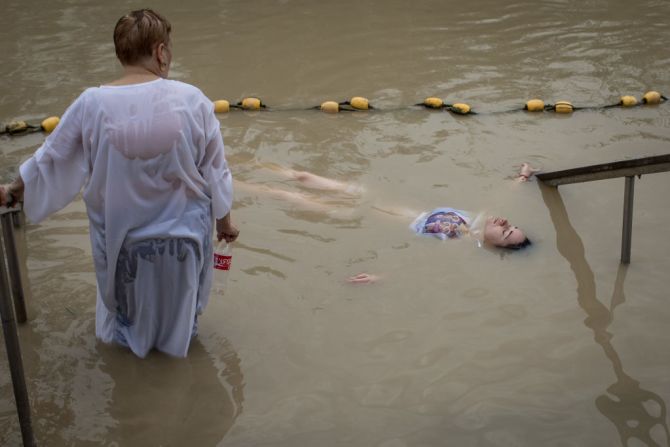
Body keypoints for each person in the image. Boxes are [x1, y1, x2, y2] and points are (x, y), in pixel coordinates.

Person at [0, 9, 238, 358]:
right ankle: (177, 388)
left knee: (126, 332)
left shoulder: (91, 103)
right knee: (183, 328)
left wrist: (12, 192)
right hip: (184, 243)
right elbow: (216, 170)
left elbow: (49, 158)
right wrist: (225, 223)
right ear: (161, 52)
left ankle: (130, 395)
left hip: (123, 245)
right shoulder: (193, 99)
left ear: (119, 53)